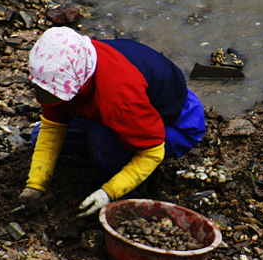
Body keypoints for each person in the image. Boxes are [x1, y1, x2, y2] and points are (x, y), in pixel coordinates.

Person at [17, 27, 206, 216]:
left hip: (178, 123)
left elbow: (152, 151)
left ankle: (132, 179)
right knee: (38, 136)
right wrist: (36, 184)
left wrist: (109, 192)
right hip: (128, 102)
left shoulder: (117, 100)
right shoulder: (63, 72)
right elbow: (53, 126)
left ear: (78, 80)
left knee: (103, 149)